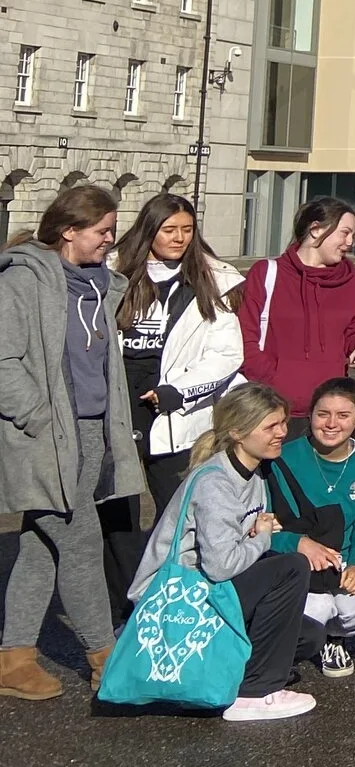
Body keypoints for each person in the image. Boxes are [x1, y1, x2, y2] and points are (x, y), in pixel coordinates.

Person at [0, 184, 141, 701]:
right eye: (102, 231)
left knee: (41, 544)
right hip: (48, 434)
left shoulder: (97, 284)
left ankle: (13, 659)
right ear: (69, 231)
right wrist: (36, 415)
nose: (110, 240)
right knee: (79, 543)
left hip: (93, 429)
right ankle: (107, 660)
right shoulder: (23, 279)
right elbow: (3, 360)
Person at [119, 383, 316, 721]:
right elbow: (222, 566)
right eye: (271, 426)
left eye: (283, 422)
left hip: (209, 587)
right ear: (238, 432)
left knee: (309, 637)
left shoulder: (253, 474)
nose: (282, 432)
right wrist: (263, 538)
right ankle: (255, 692)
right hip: (177, 596)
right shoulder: (215, 483)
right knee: (292, 568)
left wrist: (255, 537)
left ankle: (214, 677)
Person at [101, 194, 243, 623]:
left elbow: (226, 352)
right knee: (117, 515)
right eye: (169, 229)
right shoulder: (112, 273)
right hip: (118, 406)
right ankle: (122, 608)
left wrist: (178, 390)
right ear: (150, 231)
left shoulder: (213, 281)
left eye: (187, 229)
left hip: (175, 411)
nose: (179, 238)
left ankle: (172, 601)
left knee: (177, 512)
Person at [268, 376, 355, 677]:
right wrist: (296, 543)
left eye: (343, 415)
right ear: (310, 414)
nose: (331, 424)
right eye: (323, 414)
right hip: (295, 564)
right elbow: (264, 528)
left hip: (342, 562)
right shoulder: (282, 457)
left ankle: (335, 637)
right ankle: (298, 642)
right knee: (315, 611)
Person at [236, 197, 355, 421]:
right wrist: (272, 380)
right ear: (315, 229)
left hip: (328, 411)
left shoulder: (352, 280)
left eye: (353, 235)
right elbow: (244, 337)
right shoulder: (266, 273)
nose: (350, 242)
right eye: (345, 233)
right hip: (271, 409)